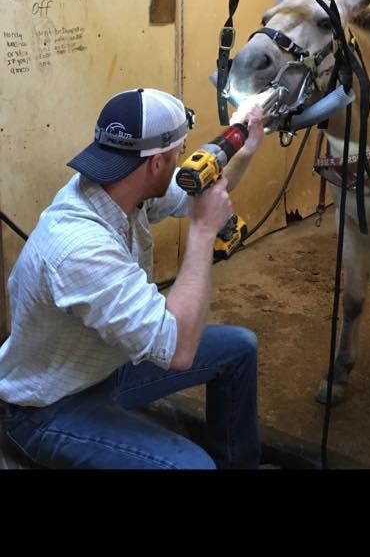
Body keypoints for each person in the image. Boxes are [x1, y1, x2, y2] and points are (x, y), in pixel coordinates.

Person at [0, 87, 264, 469]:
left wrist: (246, 144)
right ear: (156, 163)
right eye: (177, 154)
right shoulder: (81, 248)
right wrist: (204, 233)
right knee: (191, 466)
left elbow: (196, 185)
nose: (181, 163)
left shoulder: (120, 186)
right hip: (46, 407)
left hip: (105, 366)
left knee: (239, 348)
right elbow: (179, 351)